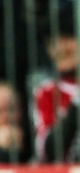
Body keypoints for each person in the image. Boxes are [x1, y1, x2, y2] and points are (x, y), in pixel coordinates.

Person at [34, 6, 79, 163]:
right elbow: (47, 152)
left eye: (68, 38)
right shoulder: (46, 93)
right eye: (53, 41)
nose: (61, 47)